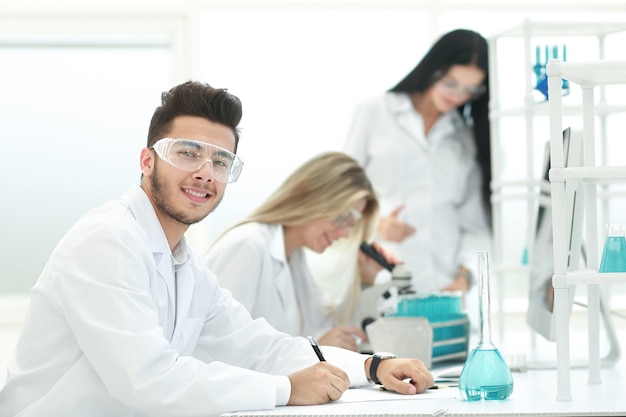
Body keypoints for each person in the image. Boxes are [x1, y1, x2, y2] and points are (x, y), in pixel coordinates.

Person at [0, 81, 434, 417]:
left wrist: (372, 367)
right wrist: (285, 389)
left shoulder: (185, 265)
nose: (206, 173)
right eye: (188, 153)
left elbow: (259, 346)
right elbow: (146, 378)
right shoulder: (107, 240)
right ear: (147, 161)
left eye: (221, 162)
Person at [343, 29, 492, 297]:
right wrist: (375, 224)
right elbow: (339, 195)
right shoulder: (375, 112)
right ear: (432, 69)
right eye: (451, 83)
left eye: (470, 90)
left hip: (443, 287)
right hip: (379, 277)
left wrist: (464, 277)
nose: (457, 96)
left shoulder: (466, 138)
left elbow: (475, 225)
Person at [204, 151, 396, 352]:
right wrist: (312, 350)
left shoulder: (294, 257)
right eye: (343, 218)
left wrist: (366, 279)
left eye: (352, 224)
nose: (345, 233)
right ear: (310, 196)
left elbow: (330, 328)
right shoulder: (247, 246)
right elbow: (219, 350)